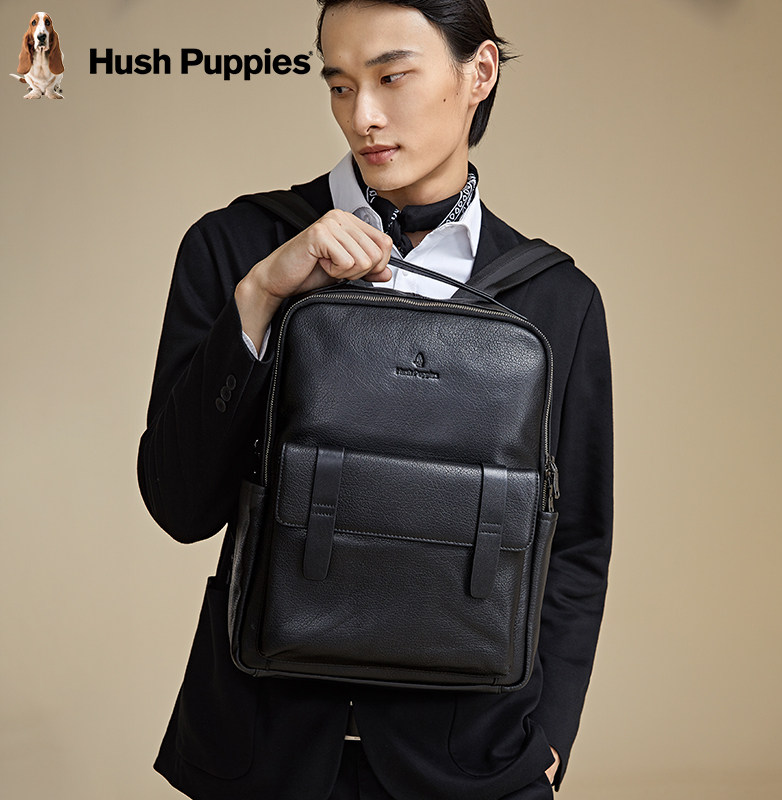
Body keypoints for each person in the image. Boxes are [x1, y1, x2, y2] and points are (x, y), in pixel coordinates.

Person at [137, 1, 613, 798]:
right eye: (340, 84)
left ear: (480, 73)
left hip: (470, 766)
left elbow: (577, 546)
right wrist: (260, 296)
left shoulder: (556, 300)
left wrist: (550, 741)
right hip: (262, 757)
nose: (363, 116)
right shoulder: (238, 245)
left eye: (392, 78)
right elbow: (179, 506)